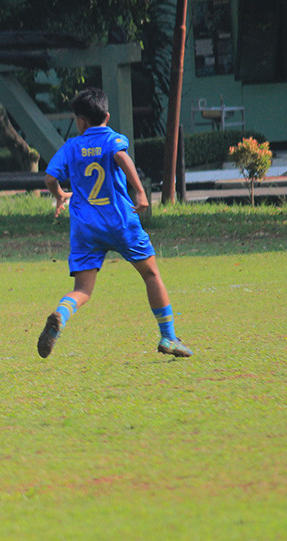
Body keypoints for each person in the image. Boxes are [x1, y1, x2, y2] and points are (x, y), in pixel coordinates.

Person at [38, 87, 192, 359]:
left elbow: (50, 178)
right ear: (106, 116)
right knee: (151, 274)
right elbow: (121, 157)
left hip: (86, 228)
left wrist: (60, 194)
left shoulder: (72, 146)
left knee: (83, 289)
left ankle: (61, 314)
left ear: (81, 121)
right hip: (120, 221)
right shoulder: (112, 139)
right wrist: (141, 191)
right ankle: (168, 337)